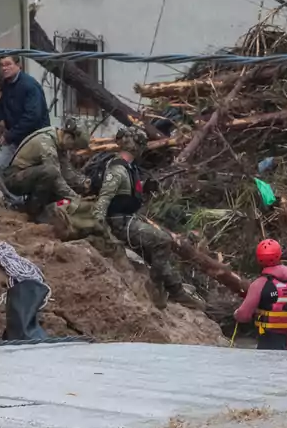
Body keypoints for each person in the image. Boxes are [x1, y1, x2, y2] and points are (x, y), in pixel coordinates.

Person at [83, 126, 205, 311]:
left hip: (128, 218)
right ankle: (158, 291)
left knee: (160, 243)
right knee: (162, 241)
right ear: (136, 146)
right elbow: (104, 199)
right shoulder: (117, 170)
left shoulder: (129, 168)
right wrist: (99, 228)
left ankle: (175, 288)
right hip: (119, 222)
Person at [0, 120, 88, 217]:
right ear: (69, 137)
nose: (71, 151)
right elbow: (56, 177)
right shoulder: (46, 142)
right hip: (14, 178)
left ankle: (35, 208)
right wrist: (75, 198)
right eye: (73, 147)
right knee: (51, 173)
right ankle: (34, 212)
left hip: (27, 175)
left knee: (56, 179)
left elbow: (67, 171)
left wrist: (83, 182)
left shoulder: (58, 142)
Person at [0, 55, 49, 182]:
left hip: (33, 138)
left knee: (29, 171)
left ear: (19, 65)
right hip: (16, 137)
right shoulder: (8, 85)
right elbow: (2, 106)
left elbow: (32, 117)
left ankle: (30, 200)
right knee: (1, 165)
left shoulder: (29, 86)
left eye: (8, 64)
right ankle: (15, 200)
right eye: (2, 65)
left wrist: (9, 135)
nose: (4, 68)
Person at [234, 239, 287, 350]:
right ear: (279, 255)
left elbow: (243, 316)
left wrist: (236, 314)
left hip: (269, 341)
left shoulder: (259, 284)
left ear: (259, 259)